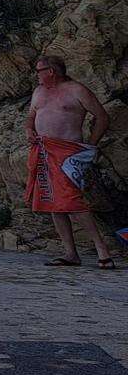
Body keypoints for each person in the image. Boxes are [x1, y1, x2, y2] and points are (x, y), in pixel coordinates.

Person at [25, 54, 114, 269]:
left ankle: (102, 250)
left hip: (68, 154)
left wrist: (90, 146)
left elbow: (102, 117)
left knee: (72, 201)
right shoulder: (38, 92)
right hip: (44, 151)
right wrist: (29, 129)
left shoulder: (77, 90)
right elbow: (31, 117)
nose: (36, 75)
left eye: (39, 71)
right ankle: (70, 253)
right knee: (53, 202)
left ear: (51, 71)